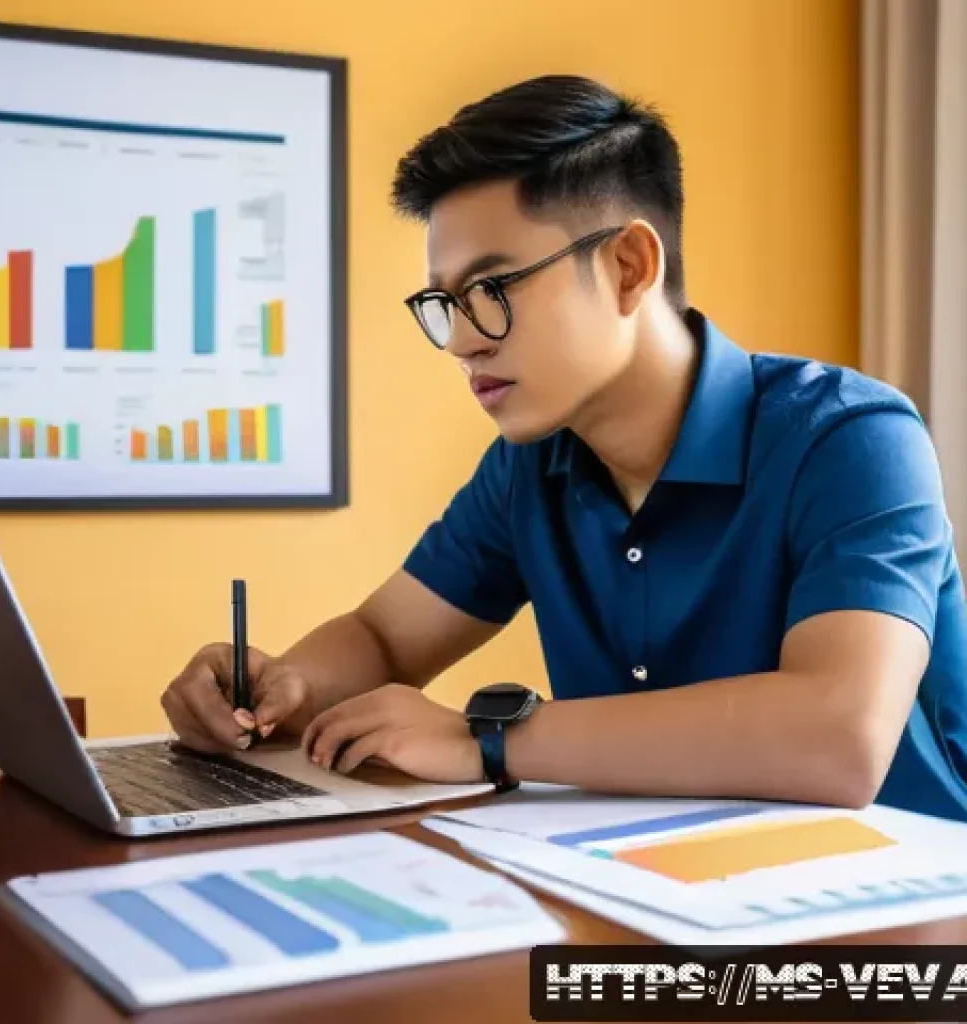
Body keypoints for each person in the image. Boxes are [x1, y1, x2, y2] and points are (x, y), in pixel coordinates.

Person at [161, 75, 967, 822]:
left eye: (492, 292)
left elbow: (840, 738)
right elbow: (385, 638)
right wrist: (279, 695)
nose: (461, 343)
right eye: (445, 303)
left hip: (897, 924)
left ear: (627, 266)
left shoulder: (852, 439)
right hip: (654, 892)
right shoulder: (531, 464)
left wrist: (490, 737)